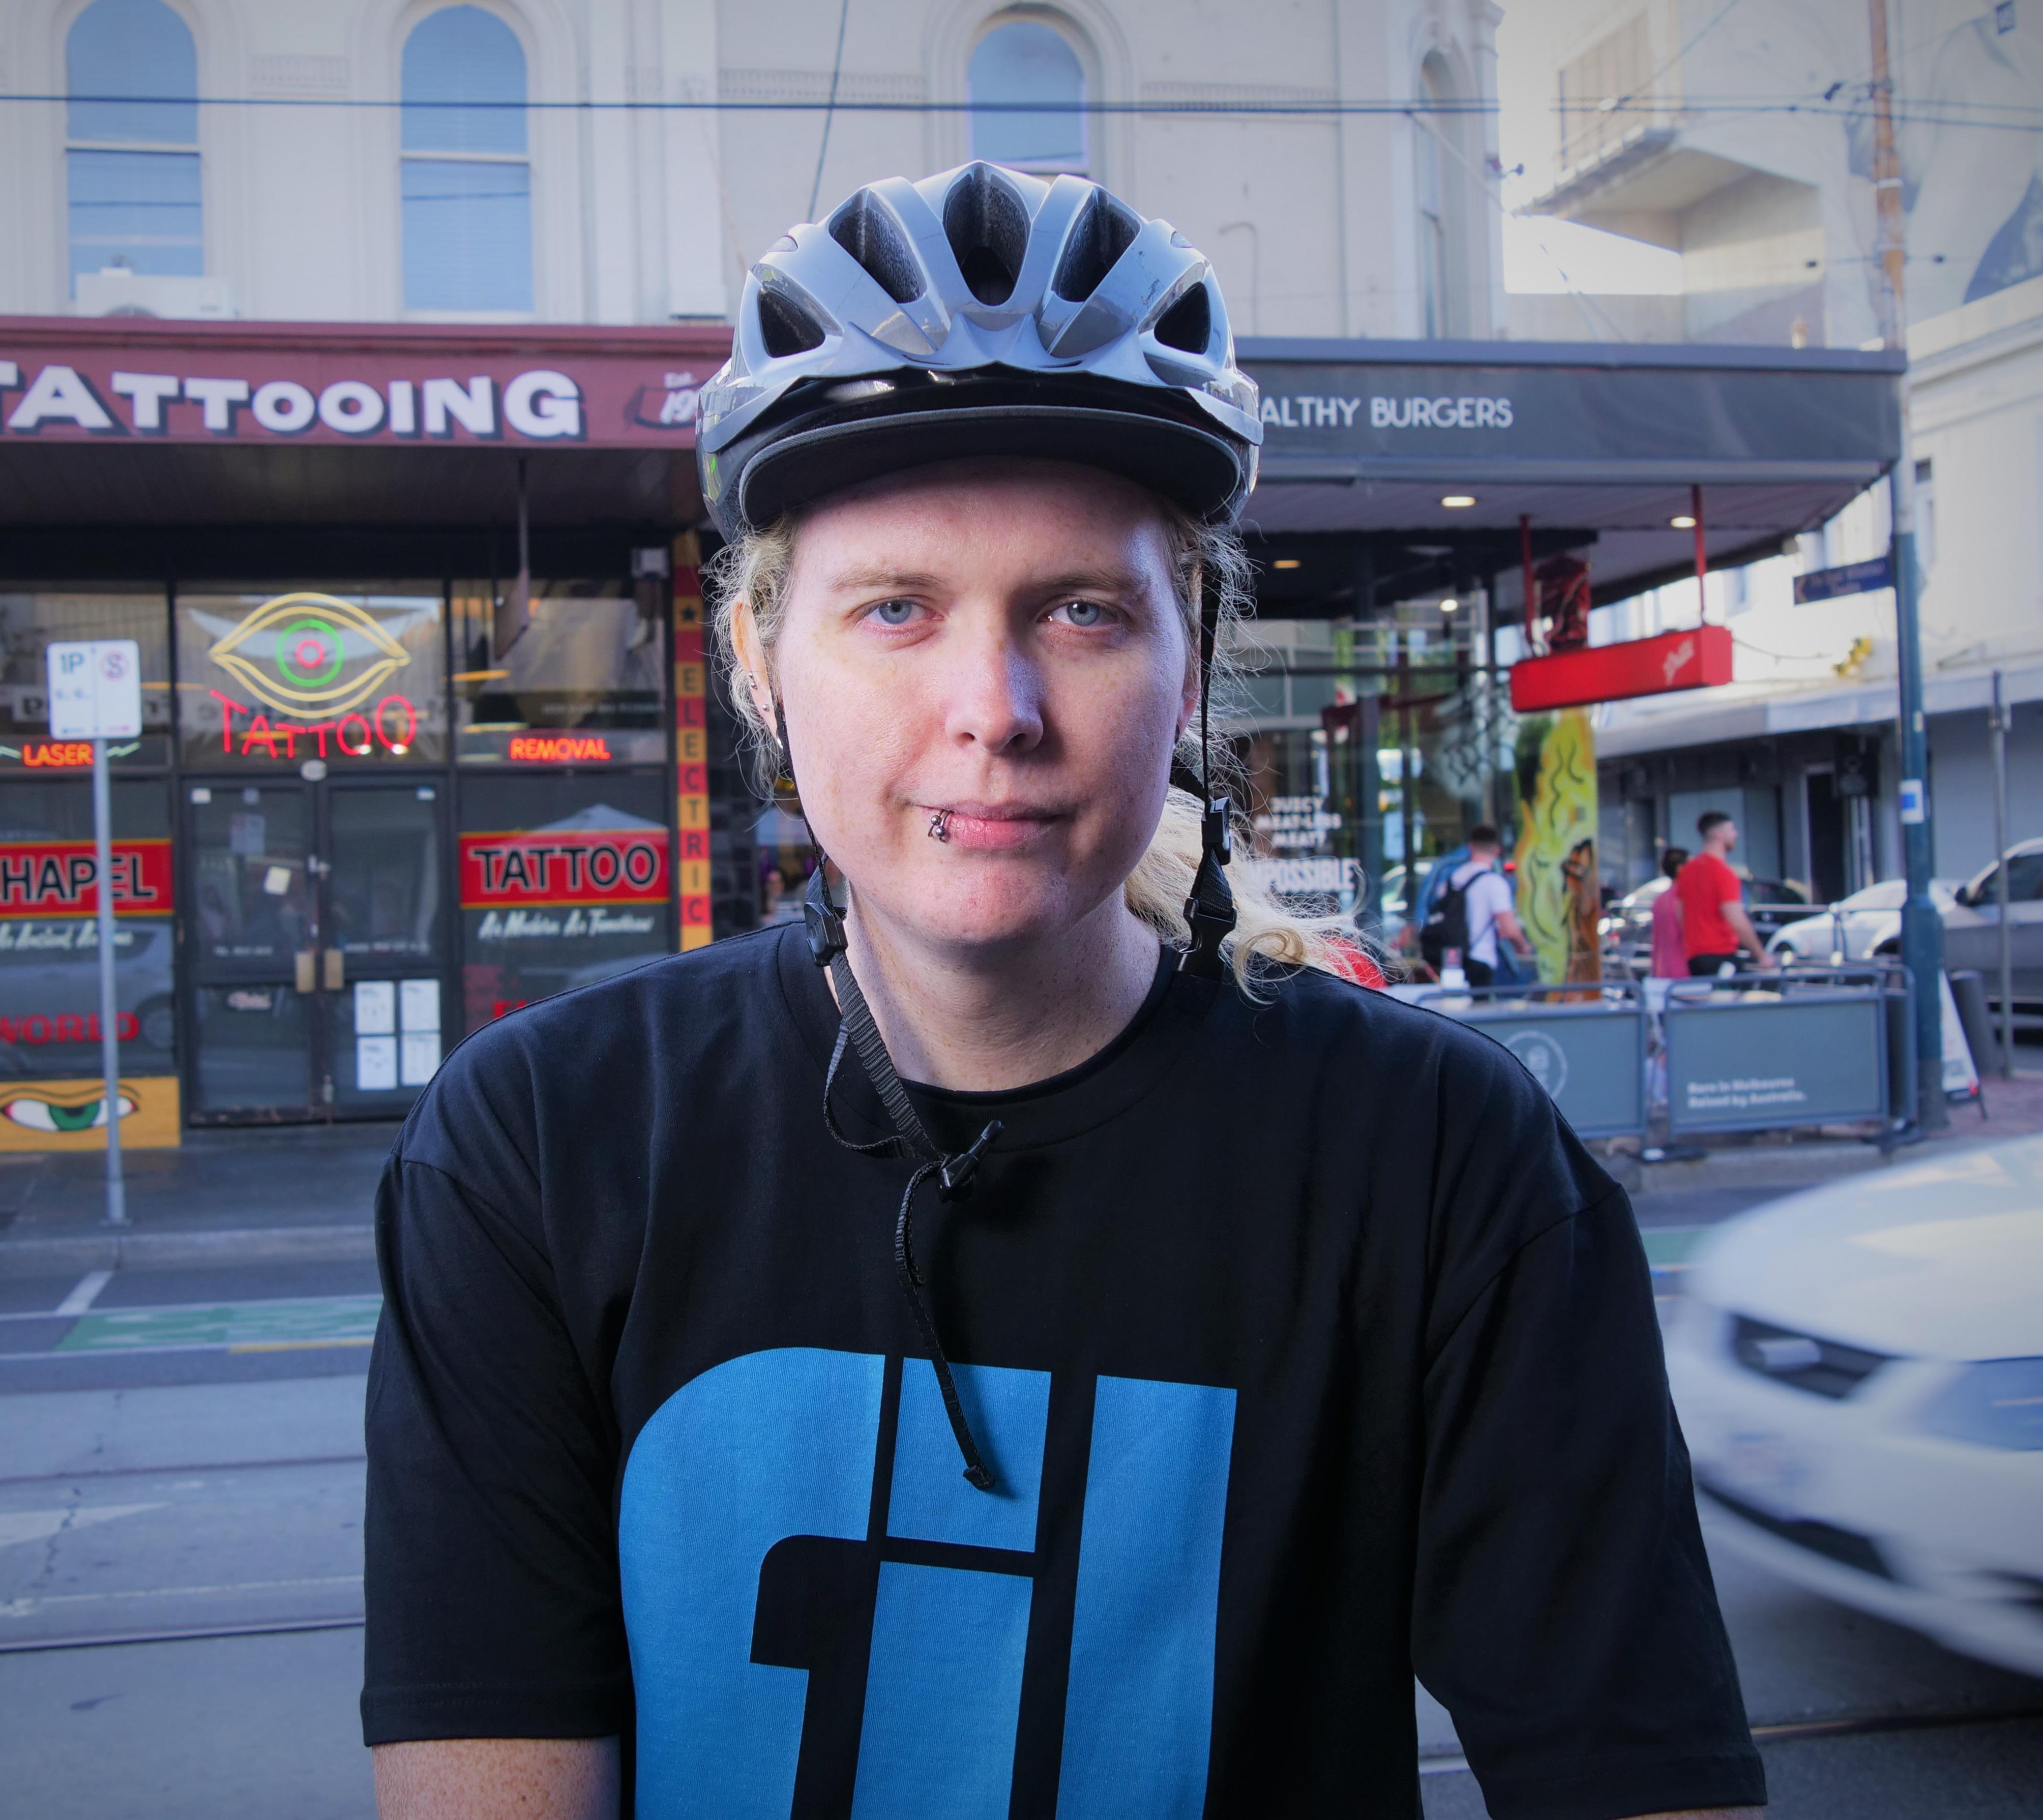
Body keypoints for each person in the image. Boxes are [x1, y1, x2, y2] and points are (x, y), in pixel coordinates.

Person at [363, 164, 1764, 1819]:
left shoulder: (1446, 1164)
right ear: (758, 661)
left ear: (1193, 665)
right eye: (895, 609)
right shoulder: (543, 1143)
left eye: (1084, 611)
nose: (997, 707)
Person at [1676, 813, 1767, 978]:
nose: (1736, 834)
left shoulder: (1687, 872)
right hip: (1721, 955)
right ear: (1719, 835)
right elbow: (1736, 919)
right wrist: (1761, 956)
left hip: (1695, 958)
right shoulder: (1723, 873)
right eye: (1732, 829)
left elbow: (1680, 914)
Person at [1446, 823, 1530, 991]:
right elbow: (1509, 928)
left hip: (1454, 958)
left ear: (1471, 848)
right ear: (1497, 851)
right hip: (1481, 958)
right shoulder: (1495, 883)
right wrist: (1523, 946)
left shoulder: (1454, 878)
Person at [1649, 847, 1691, 980]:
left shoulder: (1660, 900)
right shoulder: (1685, 898)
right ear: (1681, 869)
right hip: (1684, 970)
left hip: (1662, 970)